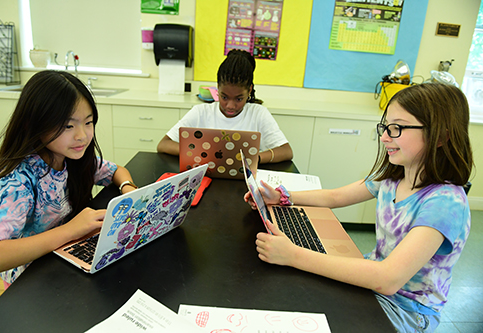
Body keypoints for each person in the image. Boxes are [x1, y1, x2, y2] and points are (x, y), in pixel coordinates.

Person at [245, 83, 473, 332]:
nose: (384, 137)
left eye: (397, 128)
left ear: (440, 137)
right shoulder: (394, 177)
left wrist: (293, 255)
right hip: (374, 286)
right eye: (385, 127)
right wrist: (281, 197)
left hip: (407, 311)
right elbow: (335, 196)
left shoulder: (445, 203)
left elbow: (388, 279)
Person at [0, 70, 139, 287]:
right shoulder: (19, 182)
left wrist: (128, 189)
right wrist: (70, 230)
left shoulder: (71, 159)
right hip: (29, 284)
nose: (82, 136)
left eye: (88, 122)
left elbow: (115, 170)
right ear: (33, 124)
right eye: (68, 126)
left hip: (62, 259)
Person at [157, 49, 293, 164]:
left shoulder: (258, 114)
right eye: (224, 97)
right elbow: (163, 145)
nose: (230, 106)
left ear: (249, 90)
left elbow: (286, 151)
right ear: (217, 88)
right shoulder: (201, 112)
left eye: (239, 99)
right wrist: (202, 154)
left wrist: (253, 158)